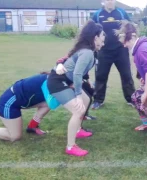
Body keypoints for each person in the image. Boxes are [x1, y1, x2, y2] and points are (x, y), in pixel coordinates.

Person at [46, 20, 105, 157]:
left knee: (85, 100)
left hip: (64, 81)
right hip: (57, 82)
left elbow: (82, 71)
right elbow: (77, 73)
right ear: (95, 37)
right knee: (79, 110)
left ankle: (78, 130)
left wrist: (87, 82)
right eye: (102, 36)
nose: (103, 40)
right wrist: (77, 94)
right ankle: (70, 146)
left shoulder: (90, 51)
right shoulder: (87, 52)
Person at [0, 74, 50, 141]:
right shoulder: (53, 82)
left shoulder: (55, 80)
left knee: (49, 103)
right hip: (8, 104)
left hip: (22, 102)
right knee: (15, 136)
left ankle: (32, 127)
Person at [90, 0, 136, 109]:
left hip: (121, 50)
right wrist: (94, 45)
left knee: (126, 75)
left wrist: (128, 40)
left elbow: (130, 27)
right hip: (104, 51)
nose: (110, 2)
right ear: (104, 2)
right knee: (101, 76)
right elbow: (91, 30)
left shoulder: (121, 13)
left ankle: (132, 99)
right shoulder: (97, 14)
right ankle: (98, 100)